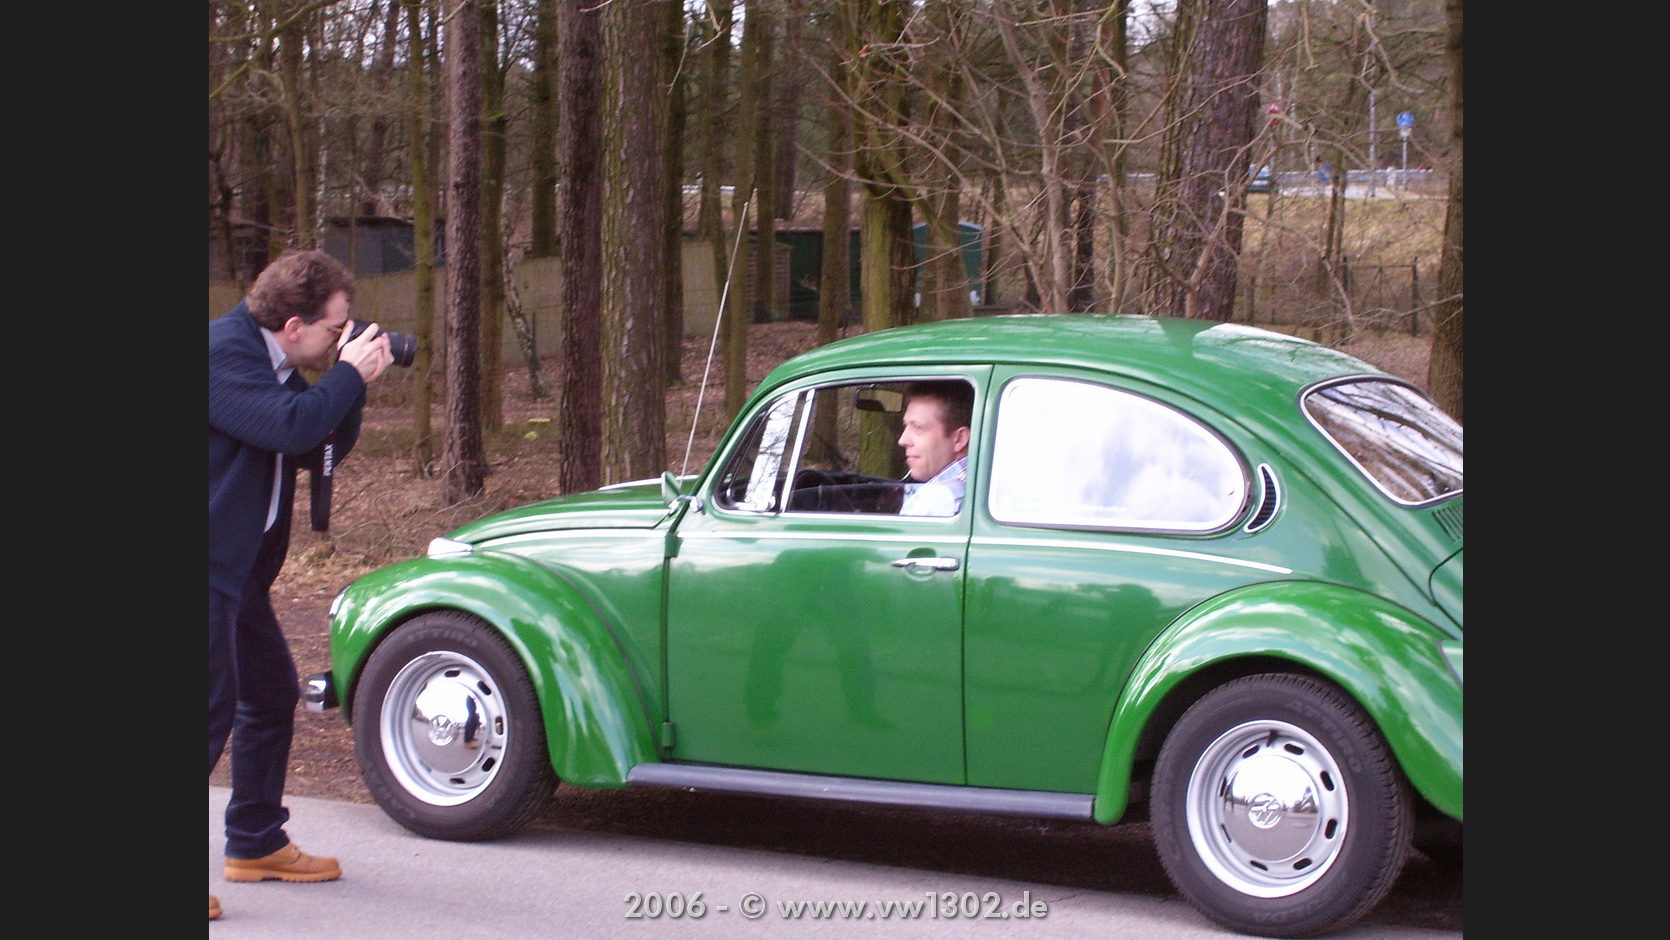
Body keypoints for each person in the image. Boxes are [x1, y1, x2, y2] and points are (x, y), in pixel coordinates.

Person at [208, 250, 394, 920]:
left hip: (236, 570)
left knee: (268, 694)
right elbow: (290, 426)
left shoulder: (276, 364)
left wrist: (350, 385)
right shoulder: (220, 357)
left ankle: (256, 842)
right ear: (293, 326)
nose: (344, 336)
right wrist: (345, 375)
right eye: (336, 327)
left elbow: (316, 446)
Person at [896, 380, 973, 516]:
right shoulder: (986, 484)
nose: (902, 440)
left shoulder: (936, 499)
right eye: (905, 426)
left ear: (959, 439)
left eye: (918, 427)